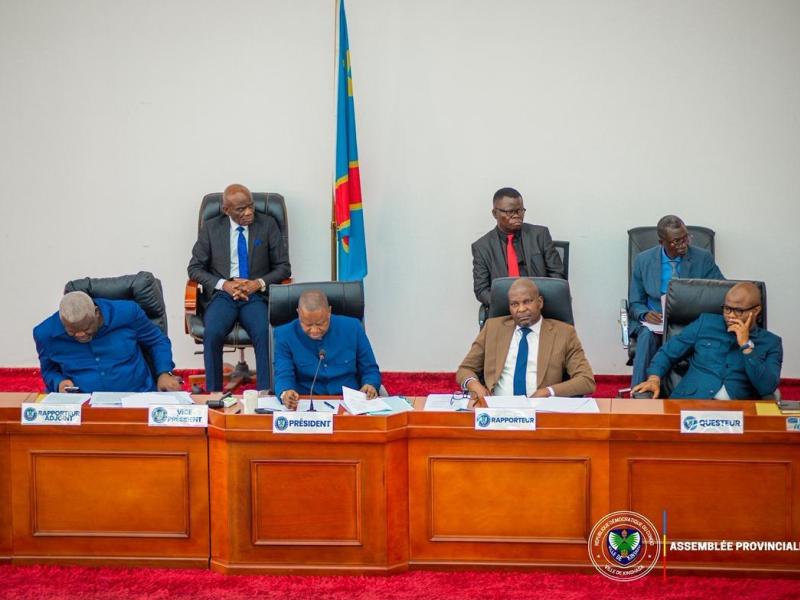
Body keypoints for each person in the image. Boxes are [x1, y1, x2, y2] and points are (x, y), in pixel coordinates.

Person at [188, 183, 291, 391]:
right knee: (212, 332)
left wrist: (257, 283)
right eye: (241, 209)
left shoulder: (267, 224)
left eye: (251, 206)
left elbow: (283, 267)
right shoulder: (211, 228)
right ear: (226, 210)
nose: (249, 212)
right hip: (223, 294)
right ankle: (214, 393)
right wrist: (224, 284)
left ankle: (266, 392)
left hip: (256, 295)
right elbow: (194, 268)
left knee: (263, 332)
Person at [631, 282, 782, 400]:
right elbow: (668, 352)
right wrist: (654, 378)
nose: (730, 315)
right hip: (691, 405)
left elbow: (767, 387)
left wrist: (746, 346)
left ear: (755, 310)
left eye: (738, 310)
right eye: (727, 308)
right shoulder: (706, 323)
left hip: (736, 414)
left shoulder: (771, 342)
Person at [456, 278, 595, 405]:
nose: (521, 309)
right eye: (514, 304)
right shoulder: (492, 328)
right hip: (497, 409)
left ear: (540, 302)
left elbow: (586, 380)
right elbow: (465, 369)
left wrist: (548, 392)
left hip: (541, 410)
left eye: (527, 302)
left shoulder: (564, 333)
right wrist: (474, 385)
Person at [629, 215, 724, 387]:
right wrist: (645, 314)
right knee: (646, 336)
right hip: (657, 322)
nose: (683, 244)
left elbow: (720, 292)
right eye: (676, 241)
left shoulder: (703, 258)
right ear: (662, 242)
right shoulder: (643, 260)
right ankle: (640, 392)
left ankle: (699, 393)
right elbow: (635, 302)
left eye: (686, 237)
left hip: (692, 320)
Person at [33, 291, 182, 393]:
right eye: (72, 331)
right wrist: (59, 383)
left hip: (137, 397)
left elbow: (157, 341)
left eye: (86, 328)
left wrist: (164, 373)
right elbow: (49, 370)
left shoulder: (127, 313)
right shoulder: (45, 334)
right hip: (83, 406)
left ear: (96, 313)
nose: (80, 335)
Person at [273, 290, 381, 410]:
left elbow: (369, 368)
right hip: (307, 405)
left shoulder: (353, 328)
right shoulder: (284, 334)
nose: (314, 330)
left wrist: (370, 384)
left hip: (349, 404)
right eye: (307, 325)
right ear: (298, 313)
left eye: (320, 324)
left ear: (329, 311)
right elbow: (283, 374)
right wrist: (286, 393)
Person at [471, 187, 564, 309]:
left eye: (520, 211)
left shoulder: (540, 235)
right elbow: (481, 290)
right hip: (505, 309)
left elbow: (557, 276)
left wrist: (536, 303)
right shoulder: (482, 247)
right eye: (510, 212)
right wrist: (512, 306)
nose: (517, 216)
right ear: (495, 213)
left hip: (540, 308)